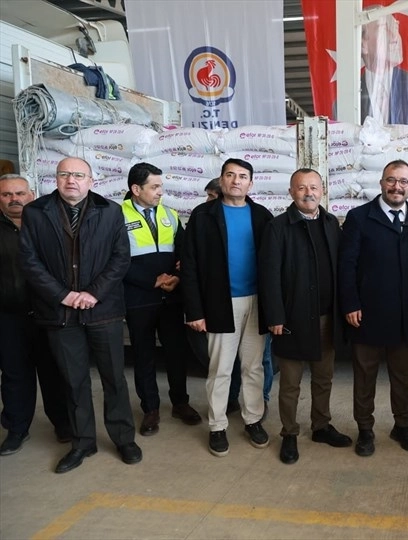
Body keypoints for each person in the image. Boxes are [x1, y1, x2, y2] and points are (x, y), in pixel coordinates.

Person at [18, 157, 141, 473]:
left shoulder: (110, 211)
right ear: (56, 178)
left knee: (114, 378)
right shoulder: (36, 212)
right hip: (59, 312)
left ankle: (124, 438)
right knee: (73, 381)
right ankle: (82, 442)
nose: (71, 180)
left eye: (78, 175)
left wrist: (93, 293)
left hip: (103, 310)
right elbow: (29, 261)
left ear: (91, 181)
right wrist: (64, 295)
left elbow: (120, 258)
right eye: (64, 174)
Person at [259, 168, 352, 465]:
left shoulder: (331, 223)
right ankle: (289, 433)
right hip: (292, 319)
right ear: (291, 192)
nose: (308, 193)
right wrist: (275, 316)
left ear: (322, 191)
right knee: (290, 383)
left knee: (324, 377)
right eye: (301, 188)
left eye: (313, 187)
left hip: (326, 318)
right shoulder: (277, 227)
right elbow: (269, 276)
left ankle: (321, 426)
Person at [182, 158, 273, 457]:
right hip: (220, 302)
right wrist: (195, 311)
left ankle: (253, 419)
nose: (236, 181)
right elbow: (190, 265)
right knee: (220, 368)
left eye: (242, 176)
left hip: (257, 301)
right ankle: (217, 425)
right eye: (230, 175)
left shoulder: (261, 216)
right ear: (221, 180)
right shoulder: (203, 216)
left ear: (251, 183)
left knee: (253, 366)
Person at [338, 159, 408, 457]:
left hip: (403, 314)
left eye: (403, 181)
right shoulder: (359, 217)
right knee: (365, 376)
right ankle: (365, 429)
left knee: (403, 376)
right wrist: (350, 303)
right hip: (367, 313)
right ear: (381, 183)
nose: (396, 187)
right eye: (391, 180)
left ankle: (402, 425)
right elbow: (347, 265)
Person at [121, 162, 202, 436]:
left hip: (170, 297)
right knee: (143, 354)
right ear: (136, 189)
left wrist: (177, 277)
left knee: (176, 352)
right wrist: (150, 280)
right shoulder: (116, 216)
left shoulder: (169, 214)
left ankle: (180, 403)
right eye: (154, 187)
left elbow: (184, 252)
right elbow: (114, 260)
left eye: (161, 186)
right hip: (139, 298)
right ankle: (150, 409)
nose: (160, 192)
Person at [0, 174, 70, 456]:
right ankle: (17, 428)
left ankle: (63, 423)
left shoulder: (47, 223)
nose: (14, 199)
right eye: (6, 195)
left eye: (19, 193)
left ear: (31, 195)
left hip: (47, 312)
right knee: (15, 373)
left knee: (54, 371)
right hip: (9, 315)